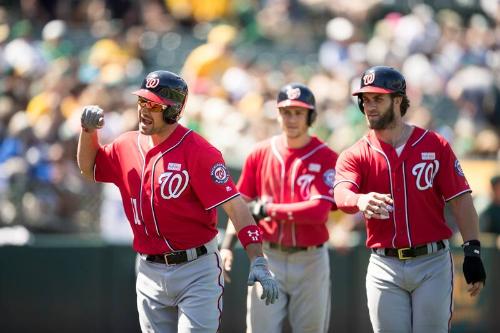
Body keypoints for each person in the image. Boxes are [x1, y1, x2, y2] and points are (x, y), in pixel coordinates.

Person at [77, 70, 279, 333]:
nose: (144, 110)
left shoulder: (199, 151)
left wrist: (258, 259)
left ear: (173, 111)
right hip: (149, 269)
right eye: (142, 102)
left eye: (154, 105)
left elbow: (236, 208)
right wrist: (88, 132)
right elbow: (88, 167)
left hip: (196, 269)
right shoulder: (125, 144)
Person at [333, 66, 486, 333]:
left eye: (377, 98)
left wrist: (472, 250)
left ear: (398, 100)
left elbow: (461, 200)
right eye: (365, 99)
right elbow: (341, 193)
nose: (369, 106)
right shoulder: (356, 153)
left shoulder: (435, 145)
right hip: (384, 265)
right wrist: (359, 200)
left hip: (432, 262)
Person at [220, 83, 338, 333]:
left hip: (311, 259)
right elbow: (240, 208)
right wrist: (227, 247)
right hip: (268, 257)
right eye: (286, 112)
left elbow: (318, 212)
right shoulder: (260, 153)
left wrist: (268, 209)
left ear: (310, 116)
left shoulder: (326, 156)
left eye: (298, 112)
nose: (291, 118)